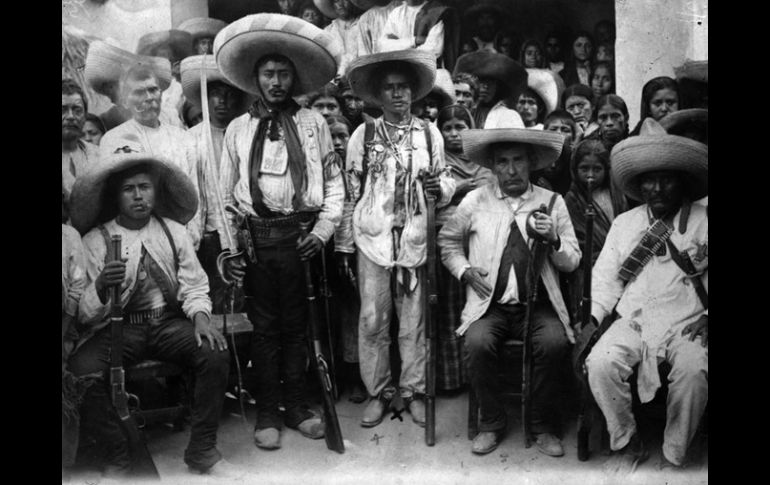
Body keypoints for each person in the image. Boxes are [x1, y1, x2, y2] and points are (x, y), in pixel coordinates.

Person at [214, 13, 345, 450]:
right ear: (255, 78)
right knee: (264, 329)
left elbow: (334, 185)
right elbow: (224, 196)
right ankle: (268, 411)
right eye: (268, 73)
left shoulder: (313, 124)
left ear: (294, 78)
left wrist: (322, 231)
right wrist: (232, 249)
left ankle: (297, 406)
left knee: (298, 326)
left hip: (300, 240)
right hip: (256, 243)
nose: (276, 82)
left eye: (284, 73)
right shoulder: (238, 129)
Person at [67, 153, 232, 477]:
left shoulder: (173, 231)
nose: (138, 196)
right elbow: (84, 314)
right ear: (116, 196)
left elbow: (194, 285)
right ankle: (119, 455)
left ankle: (202, 450)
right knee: (79, 372)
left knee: (214, 352)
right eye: (129, 189)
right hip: (119, 330)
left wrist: (200, 317)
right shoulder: (96, 240)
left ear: (156, 192)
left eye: (145, 187)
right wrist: (101, 286)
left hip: (167, 324)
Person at [438, 127, 580, 457]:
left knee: (554, 343)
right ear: (493, 166)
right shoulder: (475, 200)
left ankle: (542, 425)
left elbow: (572, 260)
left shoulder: (552, 202)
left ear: (531, 163)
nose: (511, 170)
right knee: (477, 343)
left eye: (518, 160)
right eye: (503, 162)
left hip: (539, 306)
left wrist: (554, 240)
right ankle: (491, 422)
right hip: (490, 307)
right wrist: (464, 270)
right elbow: (448, 242)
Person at [339, 49, 455, 428]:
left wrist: (440, 188)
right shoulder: (364, 134)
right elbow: (351, 191)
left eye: (403, 86)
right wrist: (345, 244)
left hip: (414, 240)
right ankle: (379, 393)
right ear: (378, 94)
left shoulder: (429, 133)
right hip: (372, 239)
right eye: (389, 87)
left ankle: (413, 392)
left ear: (413, 91)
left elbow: (446, 180)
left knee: (414, 322)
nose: (397, 93)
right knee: (373, 319)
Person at [585, 118, 708, 472]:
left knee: (694, 370)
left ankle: (674, 452)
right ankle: (627, 442)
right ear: (639, 185)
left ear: (681, 180)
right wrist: (593, 319)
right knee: (600, 363)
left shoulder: (704, 220)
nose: (657, 188)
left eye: (666, 179)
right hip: (635, 320)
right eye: (649, 180)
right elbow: (606, 277)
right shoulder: (625, 223)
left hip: (687, 321)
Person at [99, 63, 200, 246]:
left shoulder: (183, 138)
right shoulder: (113, 139)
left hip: (181, 236)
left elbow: (195, 189)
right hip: (134, 239)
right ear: (125, 101)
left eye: (153, 90)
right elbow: (112, 195)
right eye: (139, 92)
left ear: (161, 93)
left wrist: (193, 235)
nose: (149, 98)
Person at [180, 54, 251, 313]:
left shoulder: (246, 134)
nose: (222, 101)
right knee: (215, 301)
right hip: (207, 235)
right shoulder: (190, 139)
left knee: (246, 302)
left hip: (244, 232)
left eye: (229, 95)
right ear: (206, 99)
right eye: (216, 94)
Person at [434, 104, 493, 392]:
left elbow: (487, 194)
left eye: (461, 127)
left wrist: (459, 191)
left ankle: (474, 377)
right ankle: (451, 380)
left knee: (475, 305)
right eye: (448, 128)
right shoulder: (437, 160)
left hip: (479, 242)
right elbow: (436, 196)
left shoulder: (483, 161)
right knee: (448, 308)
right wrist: (458, 189)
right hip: (446, 242)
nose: (454, 133)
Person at [563, 139, 628, 319]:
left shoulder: (617, 194)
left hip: (622, 262)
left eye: (597, 169)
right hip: (588, 270)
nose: (590, 175)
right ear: (575, 169)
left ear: (606, 169)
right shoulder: (572, 200)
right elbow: (576, 241)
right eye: (584, 169)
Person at [62, 204, 88, 477]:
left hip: (64, 327)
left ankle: (65, 463)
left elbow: (77, 287)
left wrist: (63, 330)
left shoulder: (69, 236)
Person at [378, 0, 460, 71]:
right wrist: (414, 41)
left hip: (427, 71)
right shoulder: (396, 13)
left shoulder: (437, 11)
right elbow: (383, 46)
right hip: (398, 69)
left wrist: (398, 47)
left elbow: (433, 51)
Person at [136, 30, 194, 129]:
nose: (158, 67)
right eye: (154, 62)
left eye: (165, 62)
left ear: (174, 65)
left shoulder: (179, 90)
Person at [453, 50, 526, 129]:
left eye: (491, 82)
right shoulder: (460, 112)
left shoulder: (508, 115)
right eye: (481, 81)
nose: (485, 86)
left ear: (498, 87)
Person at [62, 79, 99, 201]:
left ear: (85, 116)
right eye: (63, 110)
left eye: (77, 110)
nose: (70, 116)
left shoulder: (99, 156)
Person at [319, 0, 366, 78]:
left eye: (344, 0)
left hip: (362, 77)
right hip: (335, 80)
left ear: (353, 2)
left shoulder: (364, 24)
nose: (340, 4)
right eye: (336, 1)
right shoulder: (328, 31)